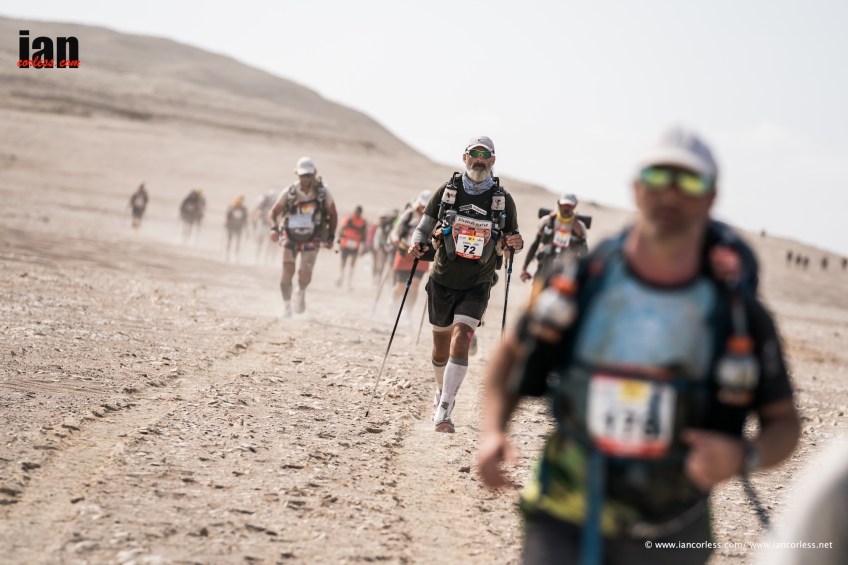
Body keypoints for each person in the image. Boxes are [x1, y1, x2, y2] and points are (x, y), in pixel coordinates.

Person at [477, 127, 800, 564]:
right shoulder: (581, 282)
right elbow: (513, 353)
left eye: (689, 181)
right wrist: (493, 430)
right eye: (657, 176)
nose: (671, 192)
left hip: (674, 529)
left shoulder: (737, 313)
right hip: (563, 512)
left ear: (711, 196)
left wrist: (745, 456)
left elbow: (783, 421)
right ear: (635, 187)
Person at [409, 135, 524, 433]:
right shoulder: (448, 191)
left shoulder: (502, 200)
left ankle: (445, 407)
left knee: (461, 339)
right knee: (440, 349)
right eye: (474, 154)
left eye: (485, 155)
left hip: (477, 283)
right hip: (442, 279)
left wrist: (516, 242)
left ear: (493, 160)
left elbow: (513, 237)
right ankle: (440, 392)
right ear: (465, 157)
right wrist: (417, 243)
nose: (479, 160)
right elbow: (424, 226)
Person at [269, 157, 338, 317]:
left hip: (313, 236)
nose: (305, 178)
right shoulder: (290, 192)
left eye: (308, 175)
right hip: (290, 235)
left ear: (314, 174)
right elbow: (273, 212)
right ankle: (287, 306)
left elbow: (333, 214)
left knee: (305, 272)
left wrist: (331, 236)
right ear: (297, 175)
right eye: (302, 175)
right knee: (287, 270)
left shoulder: (323, 193)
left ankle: (300, 291)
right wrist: (273, 228)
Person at [520, 193, 589, 283]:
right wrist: (524, 268)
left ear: (575, 206)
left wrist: (580, 237)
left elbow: (584, 253)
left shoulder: (580, 227)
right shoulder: (547, 221)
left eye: (570, 206)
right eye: (564, 205)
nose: (567, 208)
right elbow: (536, 244)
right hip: (543, 268)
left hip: (564, 274)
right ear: (559, 204)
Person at [390, 192, 432, 322]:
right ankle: (393, 304)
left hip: (420, 256)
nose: (423, 209)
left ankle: (408, 312)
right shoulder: (408, 214)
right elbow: (395, 232)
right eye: (422, 206)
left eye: (426, 206)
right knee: (400, 286)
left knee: (415, 285)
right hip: (404, 253)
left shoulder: (432, 217)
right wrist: (396, 241)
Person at [336, 205, 367, 289]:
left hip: (353, 243)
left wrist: (363, 246)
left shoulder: (361, 221)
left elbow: (364, 235)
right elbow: (341, 230)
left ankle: (347, 280)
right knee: (345, 262)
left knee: (349, 263)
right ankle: (342, 278)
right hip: (347, 243)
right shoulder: (350, 219)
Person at [225, 194, 249, 262]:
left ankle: (236, 255)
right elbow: (227, 215)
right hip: (231, 226)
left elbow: (245, 219)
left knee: (237, 241)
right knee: (230, 240)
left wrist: (247, 230)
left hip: (238, 227)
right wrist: (226, 223)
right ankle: (228, 254)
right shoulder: (232, 206)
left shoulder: (244, 209)